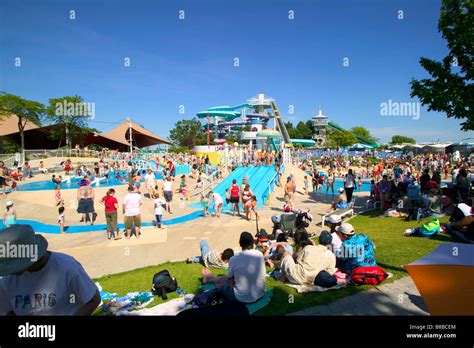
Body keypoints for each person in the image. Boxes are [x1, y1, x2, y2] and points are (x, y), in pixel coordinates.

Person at [0, 225, 101, 315]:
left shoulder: (67, 267)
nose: (10, 270)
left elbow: (93, 299)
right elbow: (9, 310)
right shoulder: (7, 279)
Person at [202, 232, 266, 303]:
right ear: (252, 243)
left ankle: (210, 279)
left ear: (240, 244)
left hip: (241, 298)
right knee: (229, 279)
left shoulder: (234, 259)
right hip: (260, 294)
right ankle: (212, 279)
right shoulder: (259, 255)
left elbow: (229, 279)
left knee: (224, 285)